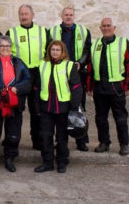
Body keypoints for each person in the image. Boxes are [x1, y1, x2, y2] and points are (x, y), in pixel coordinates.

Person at [87, 17, 129, 156]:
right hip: (99, 87)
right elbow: (91, 67)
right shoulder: (95, 44)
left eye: (109, 25)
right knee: (100, 118)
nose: (106, 28)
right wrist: (89, 86)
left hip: (117, 87)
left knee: (120, 118)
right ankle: (104, 142)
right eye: (103, 26)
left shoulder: (124, 43)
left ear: (114, 28)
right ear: (100, 28)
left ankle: (124, 144)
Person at [0, 36, 31, 173]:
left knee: (13, 136)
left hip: (14, 105)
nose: (5, 48)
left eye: (7, 46)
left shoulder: (19, 63)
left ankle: (9, 159)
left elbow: (28, 80)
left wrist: (17, 89)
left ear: (11, 48)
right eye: (2, 46)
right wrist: (0, 88)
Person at [34, 40, 82, 174]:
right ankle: (47, 162)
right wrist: (37, 106)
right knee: (45, 136)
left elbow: (76, 87)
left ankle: (62, 162)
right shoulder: (42, 65)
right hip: (46, 108)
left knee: (61, 138)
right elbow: (37, 87)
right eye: (52, 49)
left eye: (57, 50)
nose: (55, 52)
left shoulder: (69, 66)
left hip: (63, 108)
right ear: (49, 51)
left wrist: (74, 106)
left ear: (63, 52)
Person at [6, 4, 50, 150]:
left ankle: (37, 141)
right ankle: (12, 140)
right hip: (20, 75)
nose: (24, 16)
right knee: (16, 109)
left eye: (26, 14)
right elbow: (6, 54)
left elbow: (50, 53)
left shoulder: (43, 31)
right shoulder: (11, 32)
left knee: (37, 109)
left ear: (33, 15)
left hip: (38, 74)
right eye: (21, 14)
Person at [49, 7, 91, 151]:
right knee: (60, 108)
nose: (68, 17)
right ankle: (60, 141)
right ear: (61, 16)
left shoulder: (83, 31)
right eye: (66, 15)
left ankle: (81, 140)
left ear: (74, 16)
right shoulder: (53, 31)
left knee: (78, 106)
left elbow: (88, 50)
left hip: (77, 73)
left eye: (71, 15)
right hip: (59, 73)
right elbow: (49, 50)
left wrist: (81, 62)